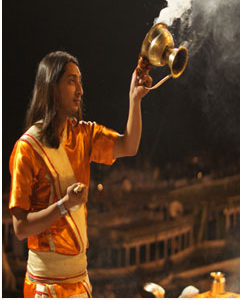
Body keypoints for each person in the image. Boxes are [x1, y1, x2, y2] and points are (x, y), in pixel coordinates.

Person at [9, 51, 152, 297]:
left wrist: (134, 99)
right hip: (45, 286)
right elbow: (20, 228)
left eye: (80, 81)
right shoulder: (27, 148)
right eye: (71, 81)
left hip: (80, 281)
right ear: (52, 87)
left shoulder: (84, 134)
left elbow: (129, 146)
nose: (80, 91)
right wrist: (64, 205)